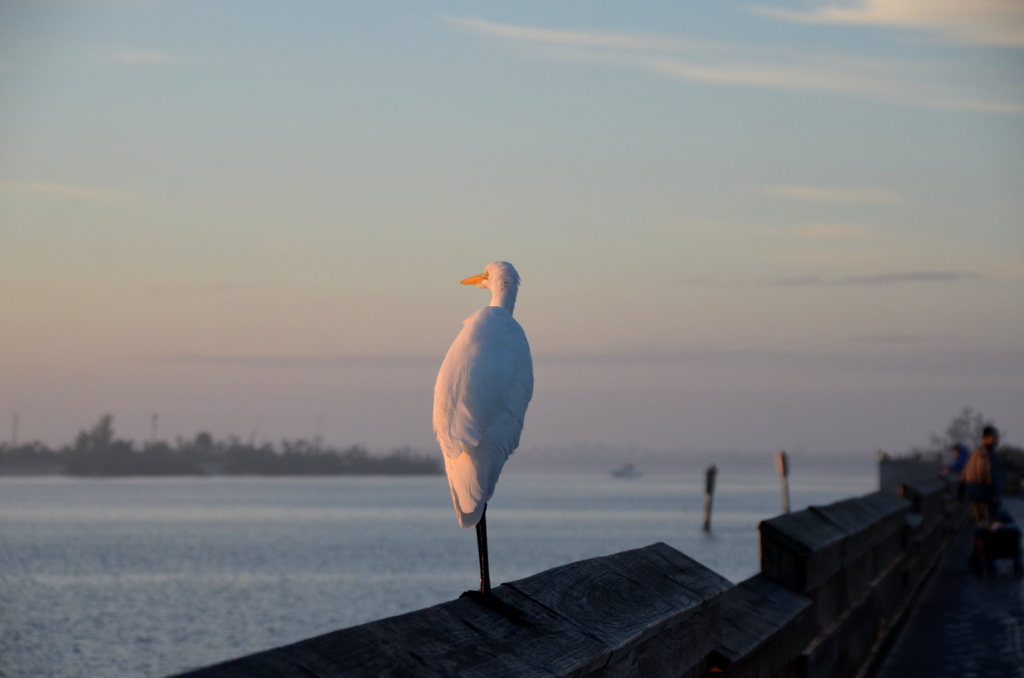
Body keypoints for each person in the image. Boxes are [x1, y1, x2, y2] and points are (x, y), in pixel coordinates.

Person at [962, 425, 1004, 524]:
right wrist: (993, 494)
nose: (995, 441)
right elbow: (984, 473)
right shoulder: (985, 453)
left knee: (980, 522)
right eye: (994, 438)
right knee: (989, 521)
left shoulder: (975, 452)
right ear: (986, 438)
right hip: (981, 490)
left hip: (973, 491)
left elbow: (965, 473)